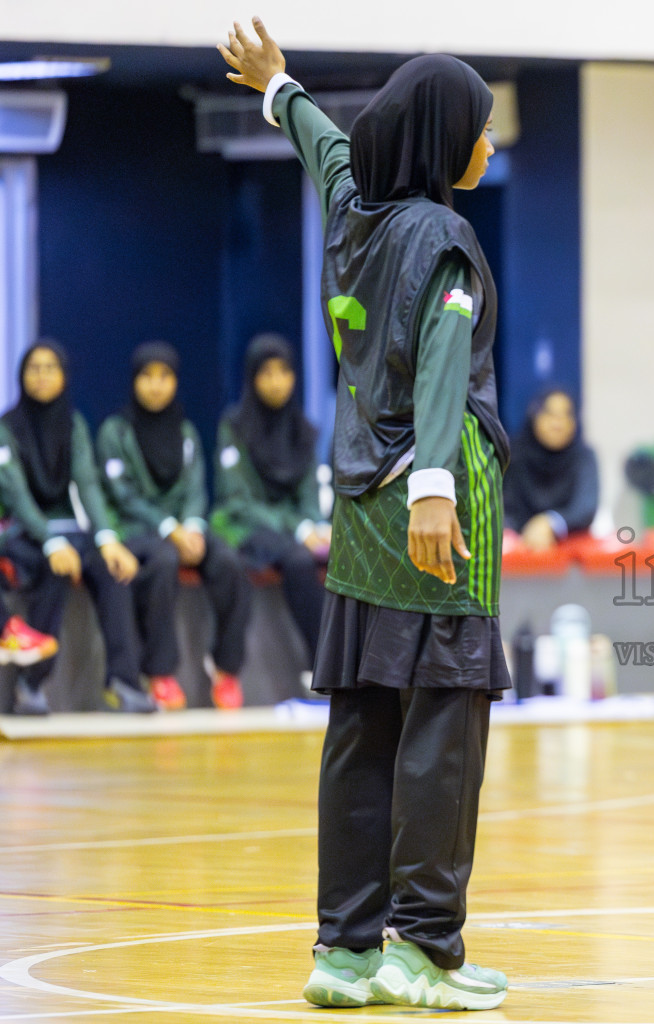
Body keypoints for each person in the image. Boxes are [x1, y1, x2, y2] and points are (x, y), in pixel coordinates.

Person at [220, 19, 510, 1011]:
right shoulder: (445, 236)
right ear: (441, 141)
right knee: (442, 725)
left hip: (355, 509)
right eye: (479, 128)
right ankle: (424, 948)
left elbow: (327, 146)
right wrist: (435, 486)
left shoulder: (354, 211)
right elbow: (441, 359)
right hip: (438, 505)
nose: (489, 145)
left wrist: (278, 87)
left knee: (363, 725)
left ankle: (344, 951)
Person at [0, 340, 157, 715]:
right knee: (59, 565)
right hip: (22, 532)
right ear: (22, 376)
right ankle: (30, 686)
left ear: (64, 376)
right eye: (33, 368)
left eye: (50, 368)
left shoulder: (74, 424)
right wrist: (52, 542)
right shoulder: (7, 427)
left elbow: (87, 484)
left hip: (68, 530)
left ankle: (122, 680)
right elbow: (17, 496)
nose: (42, 376)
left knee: (112, 568)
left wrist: (107, 540)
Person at [98, 341, 253, 711]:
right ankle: (159, 671)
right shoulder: (114, 431)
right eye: (147, 376)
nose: (156, 385)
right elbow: (123, 495)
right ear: (134, 381)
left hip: (185, 529)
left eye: (164, 376)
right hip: (138, 529)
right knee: (165, 560)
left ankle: (226, 667)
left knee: (229, 563)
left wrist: (194, 527)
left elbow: (197, 488)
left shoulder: (185, 432)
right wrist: (170, 528)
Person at [211, 333, 328, 665]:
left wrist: (314, 525)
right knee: (300, 560)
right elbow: (238, 501)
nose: (277, 382)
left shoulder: (304, 430)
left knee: (345, 559)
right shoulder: (234, 427)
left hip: (292, 532)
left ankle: (363, 669)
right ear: (252, 377)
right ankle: (321, 669)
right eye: (267, 373)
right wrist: (301, 529)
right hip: (244, 528)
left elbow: (309, 495)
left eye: (284, 372)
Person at [503, 384, 598, 551]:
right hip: (517, 550)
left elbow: (586, 508)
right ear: (534, 416)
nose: (557, 423)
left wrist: (551, 522)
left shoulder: (583, 456)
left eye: (565, 415)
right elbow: (502, 507)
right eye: (550, 414)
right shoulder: (513, 454)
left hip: (570, 551)